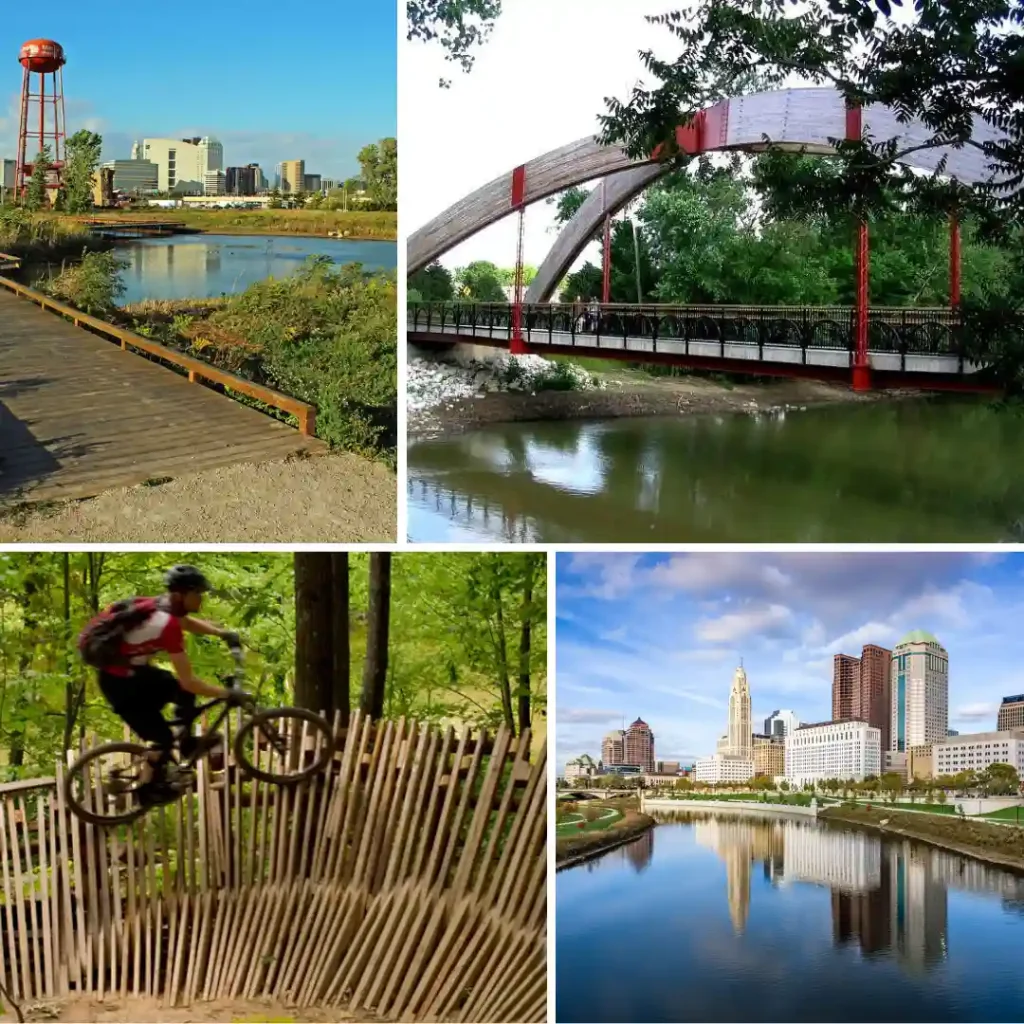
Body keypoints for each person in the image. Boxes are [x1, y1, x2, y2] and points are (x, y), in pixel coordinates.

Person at [80, 564, 249, 805]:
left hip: (133, 675)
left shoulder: (162, 606)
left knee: (177, 689)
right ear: (181, 594)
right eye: (198, 593)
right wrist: (227, 693)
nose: (202, 598)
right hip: (120, 686)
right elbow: (190, 681)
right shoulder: (165, 625)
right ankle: (146, 789)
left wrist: (221, 634)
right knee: (163, 737)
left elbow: (186, 623)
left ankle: (187, 743)